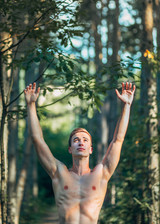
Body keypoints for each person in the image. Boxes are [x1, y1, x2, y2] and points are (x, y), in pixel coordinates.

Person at [24, 82, 135, 224]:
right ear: (70, 148)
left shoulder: (101, 173)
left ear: (91, 149)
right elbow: (37, 140)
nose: (81, 142)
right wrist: (31, 105)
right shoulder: (59, 172)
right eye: (76, 140)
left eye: (85, 140)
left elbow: (118, 140)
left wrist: (127, 105)